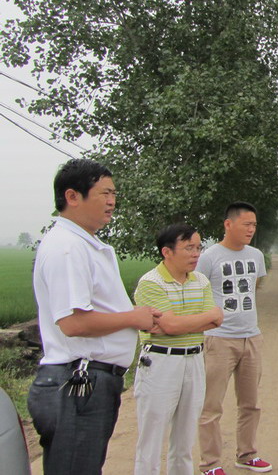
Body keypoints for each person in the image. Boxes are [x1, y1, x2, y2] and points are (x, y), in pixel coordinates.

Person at [28, 158, 161, 475]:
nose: (112, 201)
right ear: (72, 196)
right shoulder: (67, 248)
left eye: (114, 194)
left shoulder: (83, 245)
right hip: (78, 384)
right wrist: (133, 318)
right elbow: (73, 323)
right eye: (104, 193)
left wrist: (135, 315)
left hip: (87, 383)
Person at [133, 223, 222, 475]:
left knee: (184, 440)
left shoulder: (201, 280)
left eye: (198, 248)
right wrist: (197, 320)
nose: (196, 254)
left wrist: (176, 325)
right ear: (167, 252)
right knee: (151, 439)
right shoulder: (150, 283)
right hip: (160, 363)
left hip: (194, 360)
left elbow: (216, 319)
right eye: (189, 248)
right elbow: (174, 324)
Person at [197, 202, 271, 474]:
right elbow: (199, 292)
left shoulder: (256, 255)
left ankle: (247, 454)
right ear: (228, 224)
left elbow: (254, 287)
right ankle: (210, 464)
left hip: (251, 337)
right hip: (218, 339)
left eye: (254, 225)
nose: (251, 229)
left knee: (251, 403)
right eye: (246, 224)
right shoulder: (209, 257)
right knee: (211, 405)